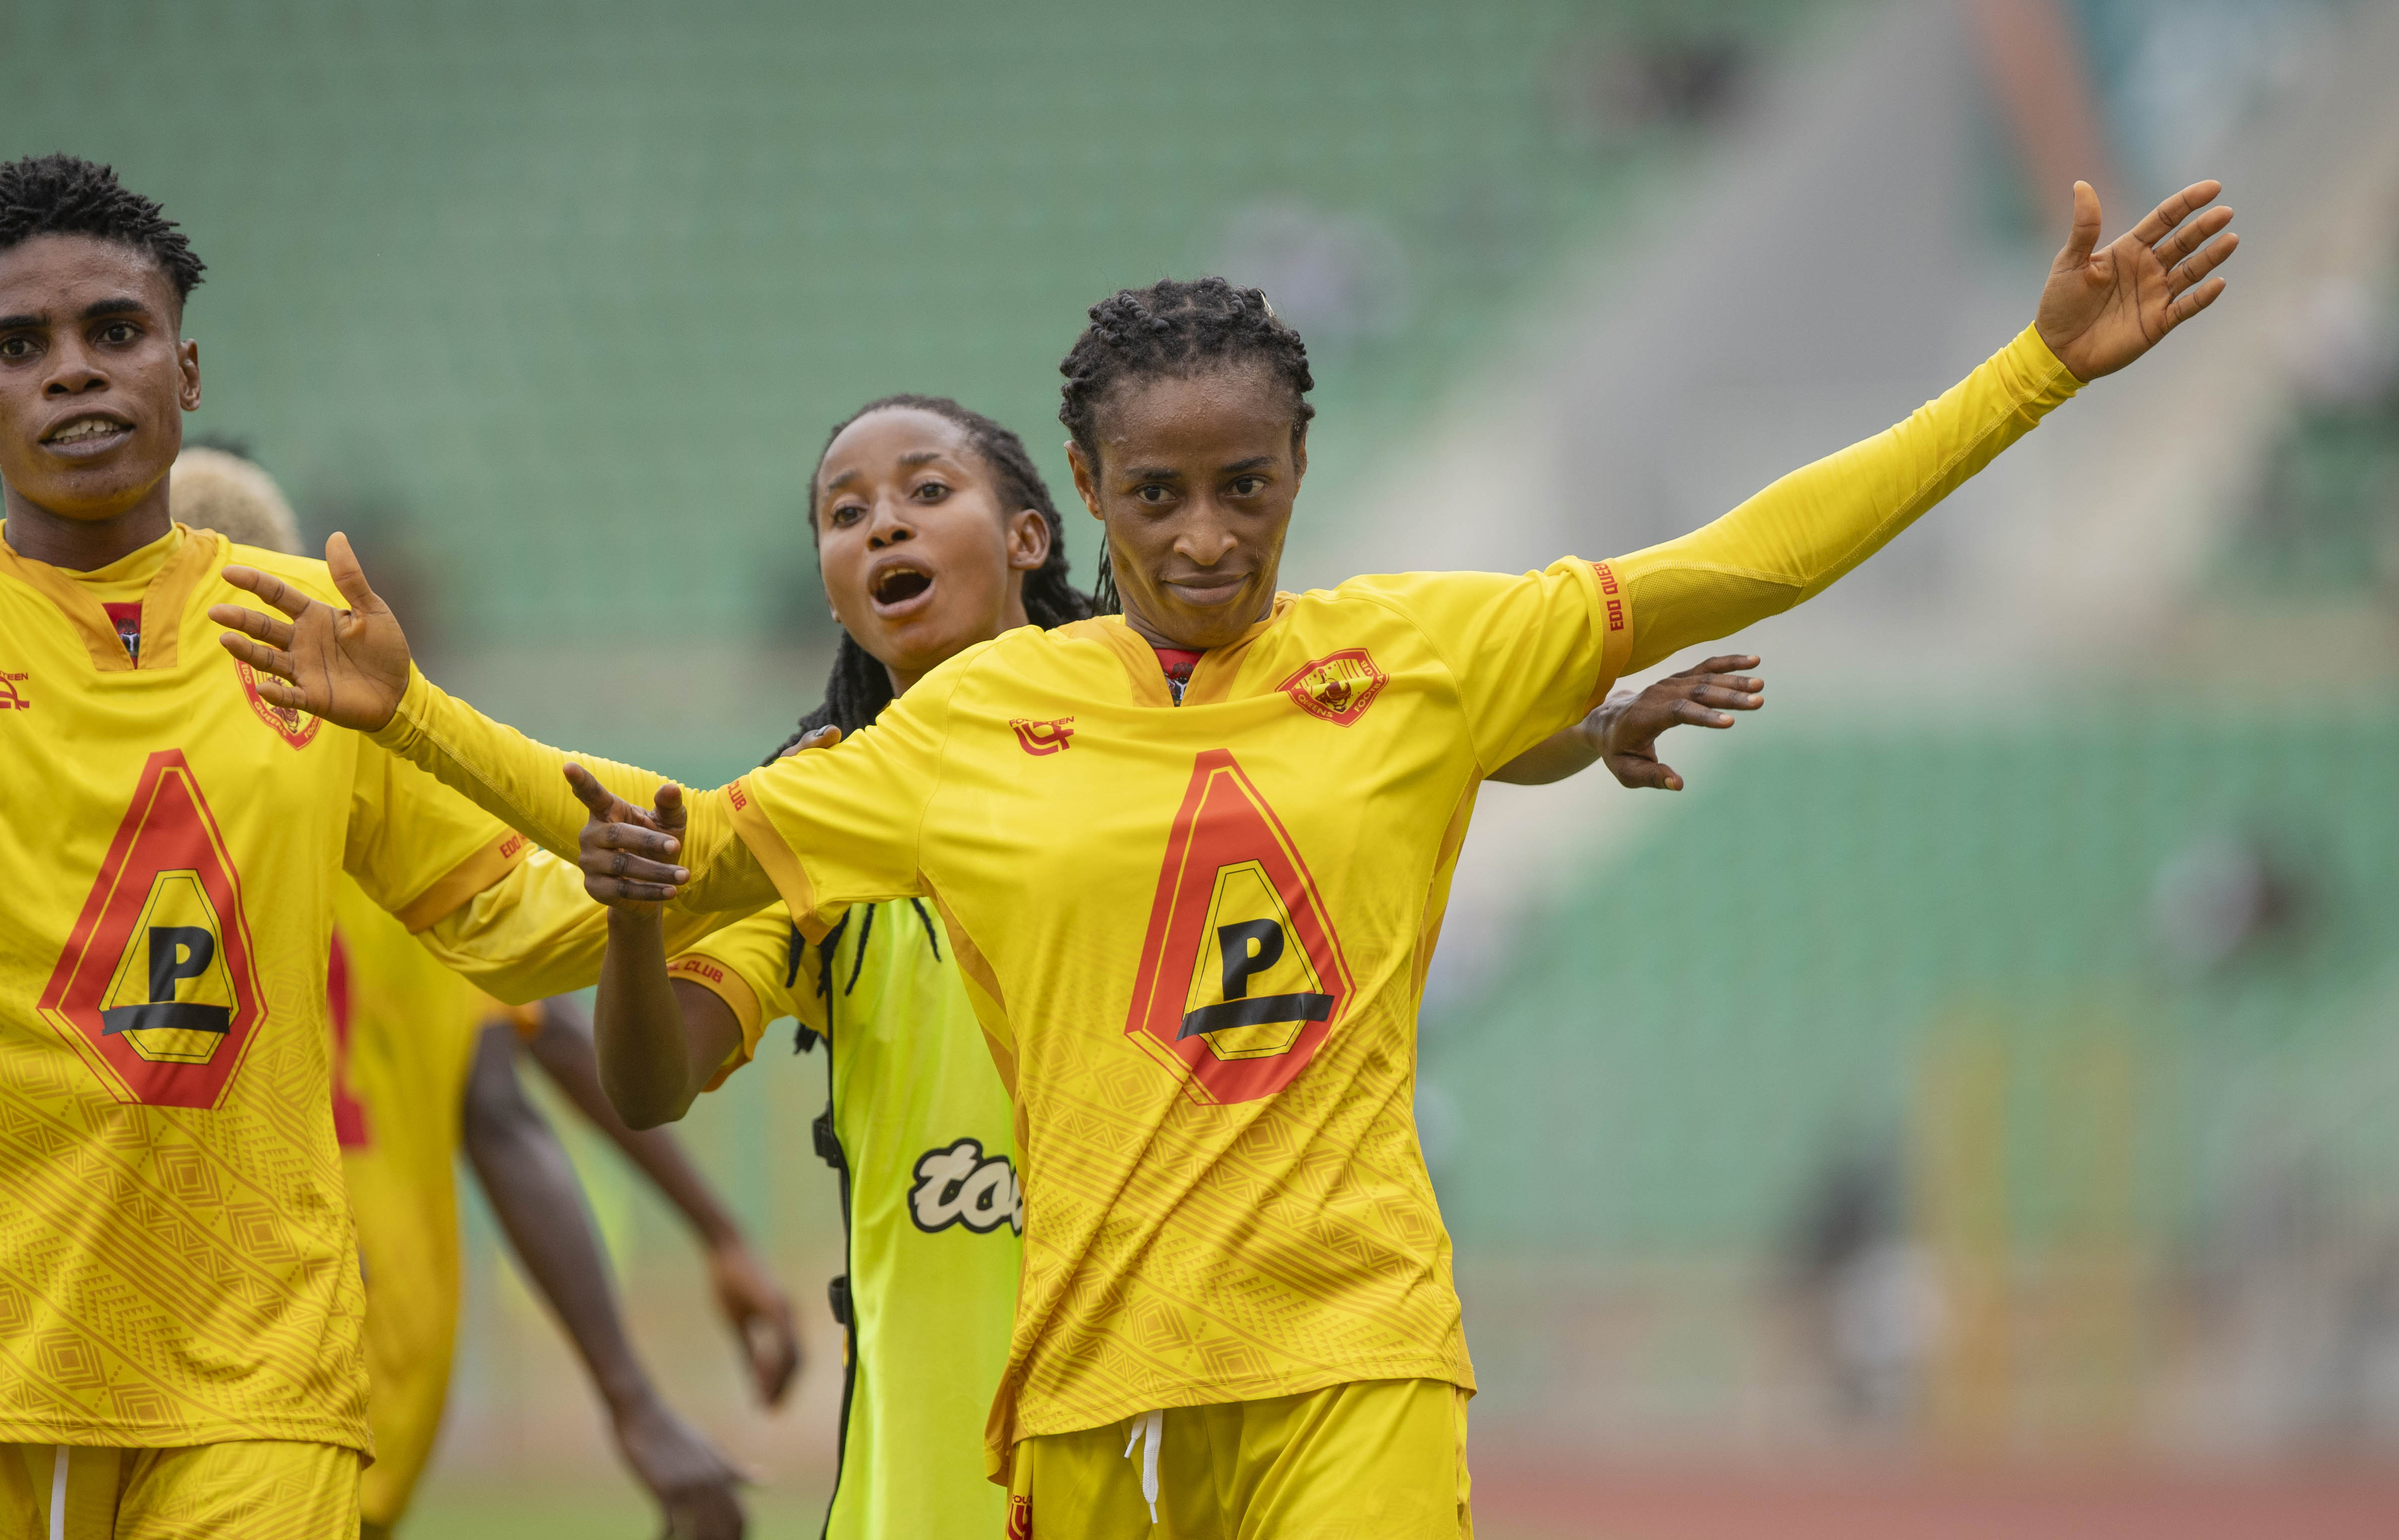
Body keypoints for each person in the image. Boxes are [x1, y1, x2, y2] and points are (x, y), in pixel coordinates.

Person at [216, 176, 2238, 1537]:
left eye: (1244, 485)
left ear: (1297, 472)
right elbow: (677, 843)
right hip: (1083, 1382)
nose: (1204, 532)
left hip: (1355, 1349)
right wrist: (418, 721)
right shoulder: (957, 735)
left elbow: (1749, 549)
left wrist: (2031, 370)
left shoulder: (1424, 651)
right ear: (1083, 491)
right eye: (1158, 491)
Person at [622, 393, 1761, 1538]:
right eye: (846, 511)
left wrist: (1589, 725)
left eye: (927, 492)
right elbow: (648, 1079)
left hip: (1170, 1414)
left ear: (1032, 531)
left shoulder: (1178, 732)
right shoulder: (806, 824)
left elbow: (1399, 729)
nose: (884, 528)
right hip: (923, 1483)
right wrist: (630, 912)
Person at [0, 153, 703, 1537]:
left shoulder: (305, 627)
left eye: (116, 332)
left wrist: (639, 893)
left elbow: (517, 917)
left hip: (261, 1381)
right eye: (21, 346)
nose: (73, 372)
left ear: (186, 374)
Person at [171, 453, 798, 1538]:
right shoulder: (367, 830)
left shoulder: (335, 815)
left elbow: (535, 1053)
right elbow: (511, 1093)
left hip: (178, 1365)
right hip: (342, 1369)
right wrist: (645, 1376)